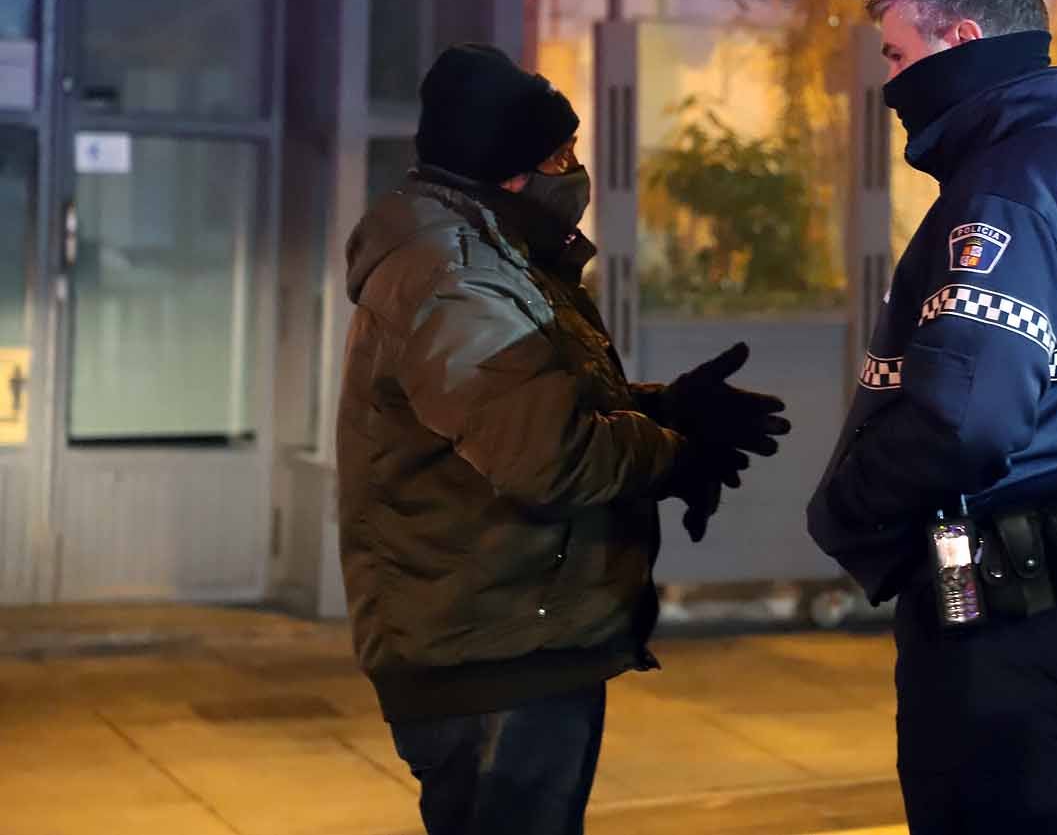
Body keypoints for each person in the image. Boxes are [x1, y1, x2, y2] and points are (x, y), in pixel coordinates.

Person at [337, 43, 790, 835]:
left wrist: (668, 406)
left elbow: (528, 404)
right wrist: (674, 450)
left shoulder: (492, 250)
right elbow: (547, 453)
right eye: (560, 153)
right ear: (506, 166)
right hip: (490, 656)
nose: (574, 169)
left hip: (510, 634)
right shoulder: (454, 274)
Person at [807, 0, 1057, 833]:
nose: (890, 81)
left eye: (897, 54)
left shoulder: (1006, 188)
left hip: (998, 602)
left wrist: (848, 501)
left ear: (960, 40)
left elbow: (967, 420)